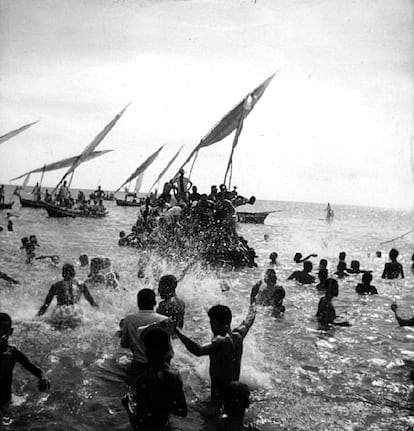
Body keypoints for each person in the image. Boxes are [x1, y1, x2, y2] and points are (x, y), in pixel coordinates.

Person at [174, 283, 259, 406]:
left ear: (217, 323)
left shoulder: (221, 341)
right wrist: (253, 298)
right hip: (233, 392)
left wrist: (177, 331)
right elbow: (250, 318)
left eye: (211, 322)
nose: (210, 325)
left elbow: (198, 351)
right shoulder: (238, 335)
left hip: (219, 397)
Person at [122, 326, 187, 431]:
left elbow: (138, 425)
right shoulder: (175, 376)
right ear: (168, 349)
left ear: (146, 350)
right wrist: (164, 404)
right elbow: (182, 412)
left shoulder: (144, 380)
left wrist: (127, 405)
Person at [0, 313, 50, 416]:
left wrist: (43, 378)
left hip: (6, 403)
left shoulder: (13, 353)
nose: (0, 333)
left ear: (11, 332)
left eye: (4, 330)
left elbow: (38, 371)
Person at [120, 288, 170, 374]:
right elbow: (168, 350)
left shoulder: (129, 319)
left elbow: (124, 344)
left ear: (138, 303)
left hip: (139, 365)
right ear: (155, 303)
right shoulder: (165, 320)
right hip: (162, 367)